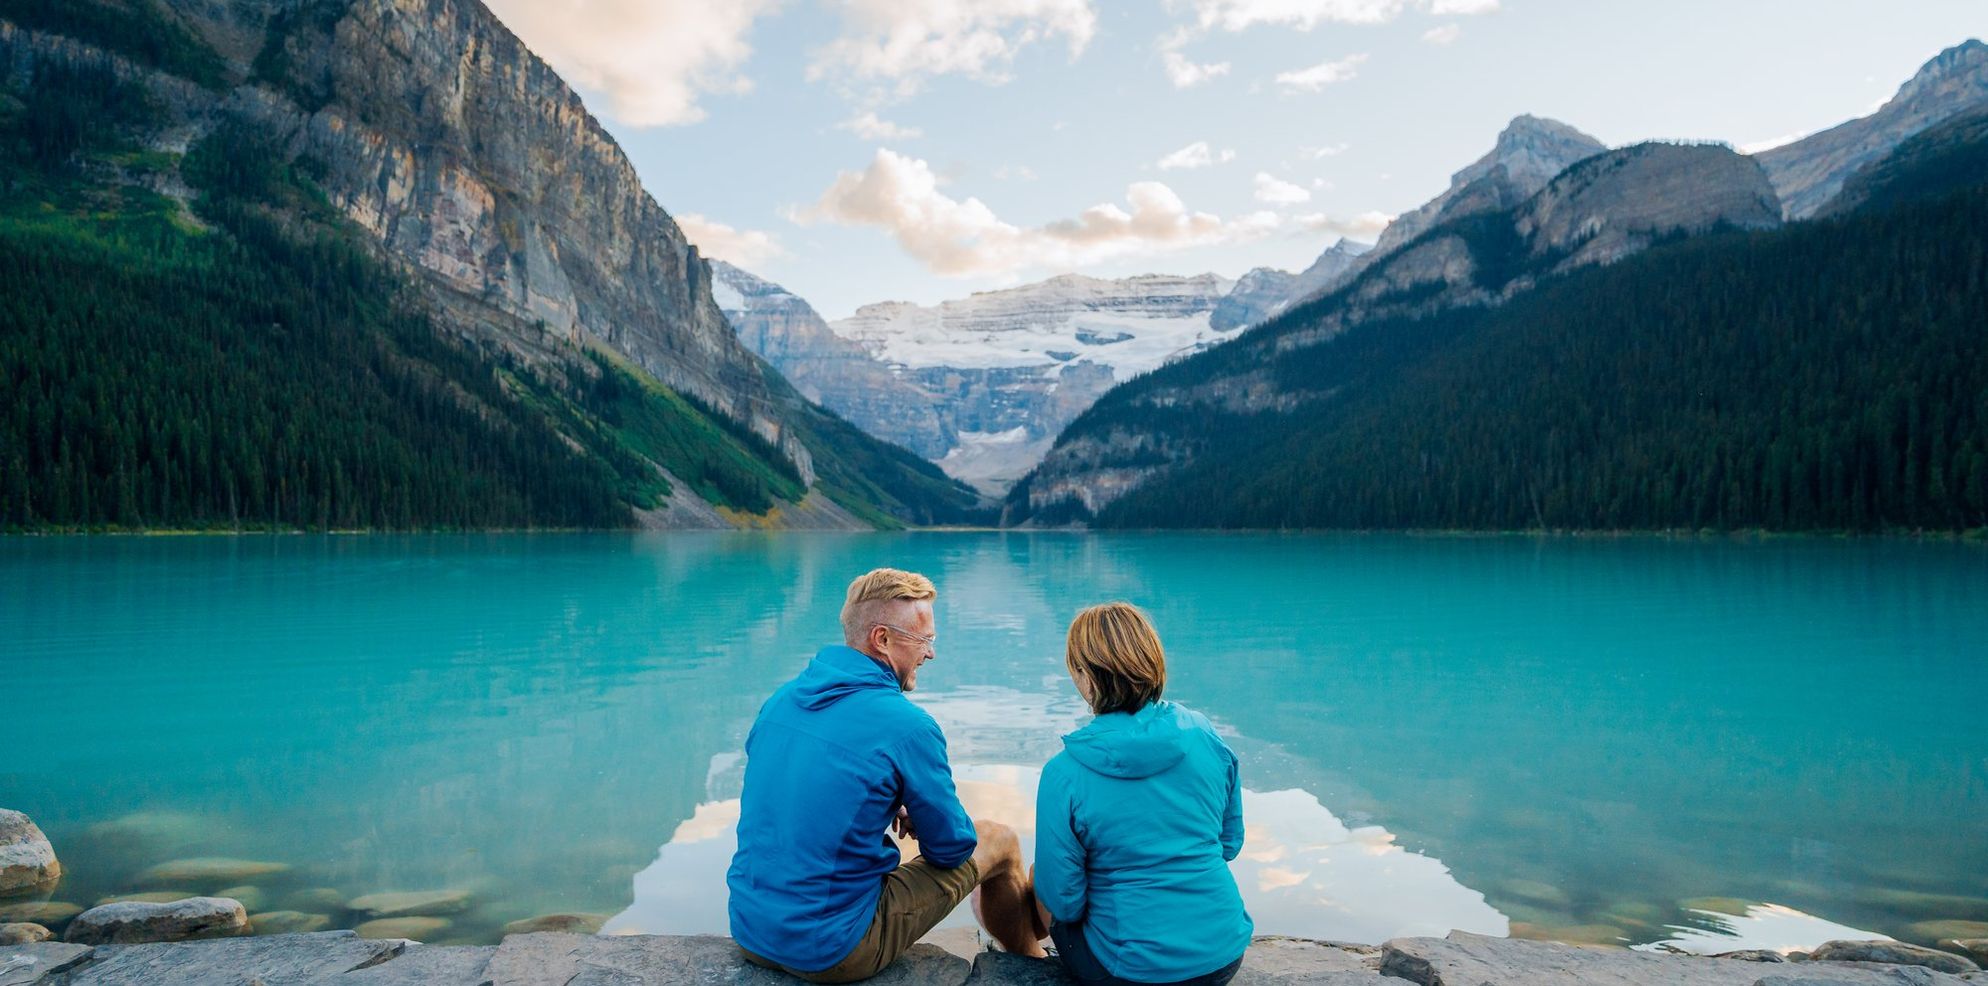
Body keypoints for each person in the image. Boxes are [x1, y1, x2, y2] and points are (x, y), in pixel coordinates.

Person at [728, 567, 1044, 983]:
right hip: (831, 950)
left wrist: (887, 795)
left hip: (750, 930)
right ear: (882, 639)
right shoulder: (908, 726)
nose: (930, 653)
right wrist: (920, 808)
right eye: (925, 640)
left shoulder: (779, 701)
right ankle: (1033, 961)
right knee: (999, 840)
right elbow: (950, 850)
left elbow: (799, 793)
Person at [1033, 602, 1253, 986]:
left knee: (1040, 875)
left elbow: (1065, 902)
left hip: (1130, 971)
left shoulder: (1064, 773)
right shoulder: (1203, 732)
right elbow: (1228, 843)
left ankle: (1026, 960)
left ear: (1085, 675)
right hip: (1224, 954)